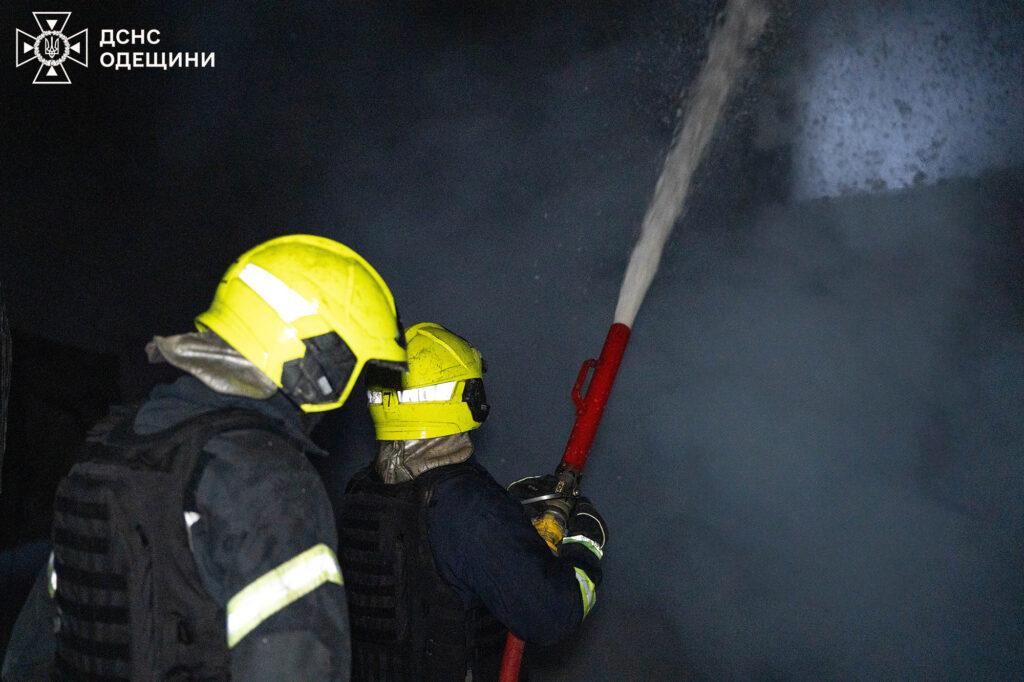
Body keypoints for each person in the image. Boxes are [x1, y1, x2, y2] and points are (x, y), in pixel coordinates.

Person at [3, 234, 406, 681]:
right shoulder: (269, 478)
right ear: (317, 364)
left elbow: (32, 650)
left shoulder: (108, 450)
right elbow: (299, 661)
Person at [336, 322, 607, 681]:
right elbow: (552, 616)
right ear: (465, 399)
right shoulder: (467, 509)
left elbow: (425, 569)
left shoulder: (361, 492)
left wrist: (509, 517)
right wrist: (584, 543)